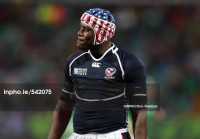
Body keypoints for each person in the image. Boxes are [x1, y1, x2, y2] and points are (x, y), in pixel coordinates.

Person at [48, 8, 147, 139]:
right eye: (80, 28)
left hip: (114, 135)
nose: (79, 33)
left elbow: (139, 113)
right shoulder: (74, 61)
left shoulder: (128, 63)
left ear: (101, 33)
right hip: (78, 136)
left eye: (86, 29)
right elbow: (63, 108)